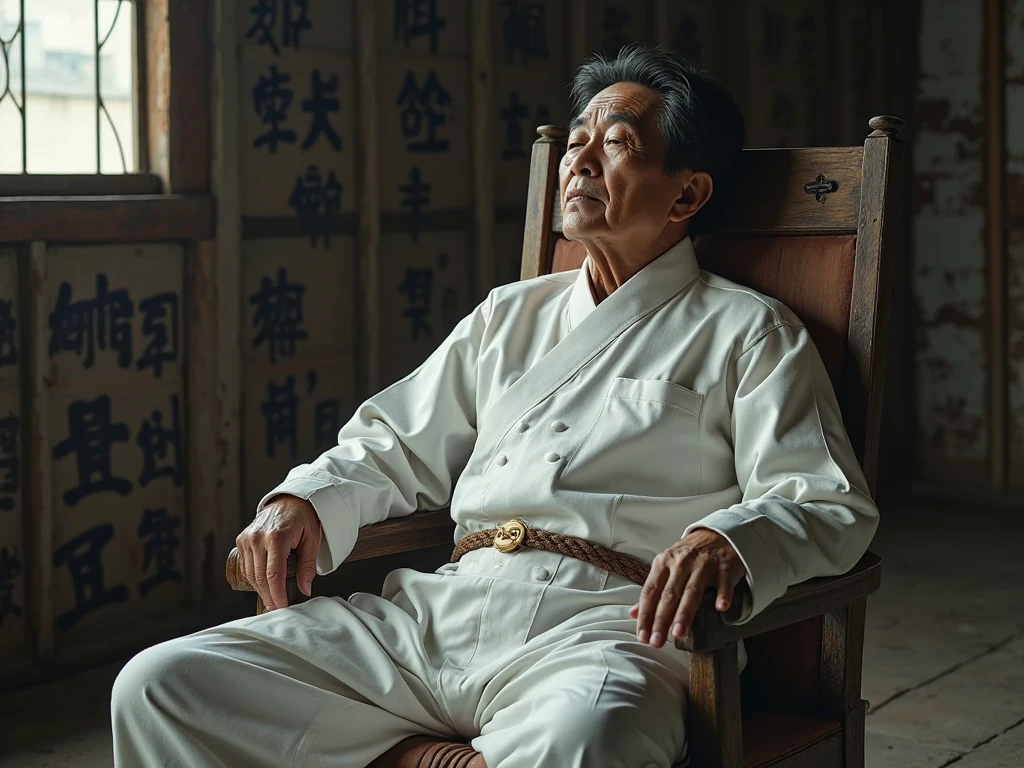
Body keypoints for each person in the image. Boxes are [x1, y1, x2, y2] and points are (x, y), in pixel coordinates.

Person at [111, 44, 878, 768]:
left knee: (586, 741)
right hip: (438, 617)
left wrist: (731, 540)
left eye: (614, 143)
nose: (578, 160)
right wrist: (303, 499)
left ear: (687, 192)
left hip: (606, 633)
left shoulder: (746, 330)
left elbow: (827, 500)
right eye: (576, 139)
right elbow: (393, 443)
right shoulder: (507, 316)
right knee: (162, 685)